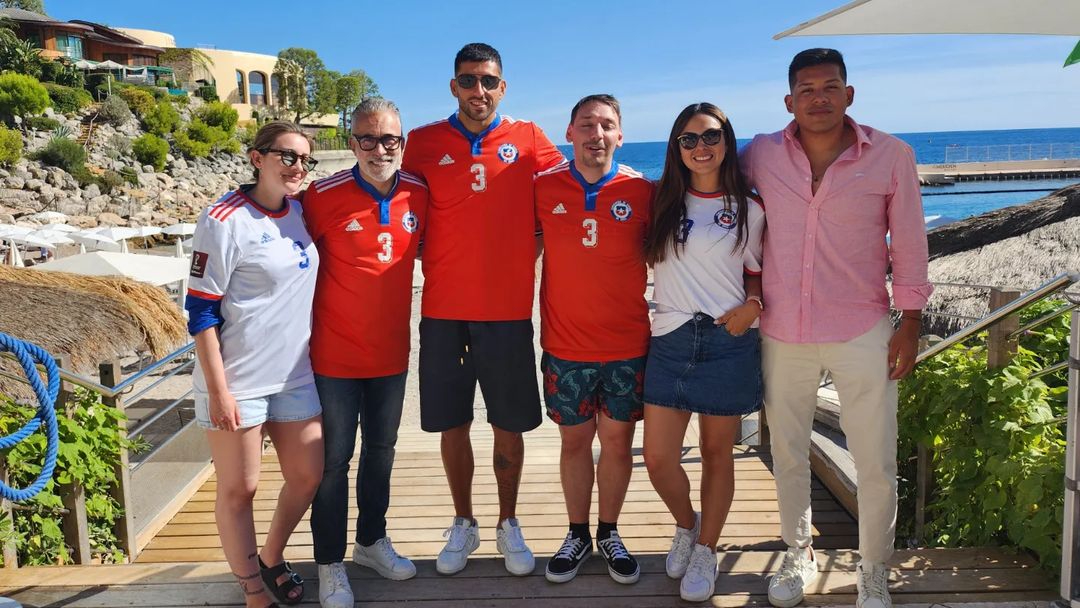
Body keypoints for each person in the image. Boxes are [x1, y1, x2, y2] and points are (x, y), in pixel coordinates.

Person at [741, 48, 931, 608]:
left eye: (830, 87)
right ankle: (798, 556)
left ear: (849, 94)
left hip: (862, 327)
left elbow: (911, 243)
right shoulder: (760, 154)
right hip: (782, 329)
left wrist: (911, 320)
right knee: (789, 454)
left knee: (875, 458)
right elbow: (710, 193)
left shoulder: (892, 156)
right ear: (789, 100)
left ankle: (874, 570)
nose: (818, 98)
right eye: (807, 89)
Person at [402, 42, 563, 576]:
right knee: (452, 424)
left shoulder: (530, 137)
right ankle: (464, 522)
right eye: (469, 81)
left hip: (508, 312)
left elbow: (572, 187)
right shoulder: (422, 142)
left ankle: (508, 523)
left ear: (503, 86)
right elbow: (399, 207)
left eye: (489, 81)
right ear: (453, 85)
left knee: (507, 425)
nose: (479, 91)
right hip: (444, 310)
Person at [185, 121, 324, 608]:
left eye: (305, 159)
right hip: (237, 378)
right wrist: (219, 391)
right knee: (240, 487)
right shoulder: (223, 219)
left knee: (308, 474)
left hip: (294, 375)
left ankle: (269, 556)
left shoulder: (302, 213)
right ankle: (252, 591)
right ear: (256, 157)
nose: (298, 167)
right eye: (287, 156)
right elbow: (201, 310)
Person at [302, 98, 427, 608]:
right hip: (332, 357)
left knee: (382, 453)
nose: (381, 149)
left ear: (403, 142)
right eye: (369, 139)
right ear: (352, 143)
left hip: (392, 356)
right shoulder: (321, 195)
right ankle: (329, 562)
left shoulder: (419, 192)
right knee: (333, 462)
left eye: (390, 139)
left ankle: (371, 542)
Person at [642, 102, 765, 602]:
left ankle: (707, 549)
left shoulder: (750, 206)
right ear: (676, 148)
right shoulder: (659, 200)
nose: (700, 147)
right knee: (657, 457)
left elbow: (757, 268)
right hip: (669, 335)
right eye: (688, 139)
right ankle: (688, 524)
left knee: (718, 454)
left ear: (727, 141)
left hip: (727, 338)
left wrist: (753, 304)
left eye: (710, 136)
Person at [534, 94, 653, 585]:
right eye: (587, 124)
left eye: (606, 125)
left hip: (628, 345)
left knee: (619, 444)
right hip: (565, 346)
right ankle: (577, 532)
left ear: (620, 136)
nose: (596, 133)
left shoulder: (643, 190)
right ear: (570, 132)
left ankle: (609, 531)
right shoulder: (542, 187)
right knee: (574, 444)